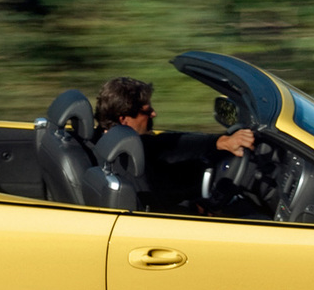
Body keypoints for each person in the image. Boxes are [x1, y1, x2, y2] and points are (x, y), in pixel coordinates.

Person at [94, 76, 255, 213]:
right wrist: (197, 209)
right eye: (147, 110)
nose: (154, 113)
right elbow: (166, 146)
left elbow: (164, 147)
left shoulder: (106, 145)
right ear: (124, 120)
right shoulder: (124, 159)